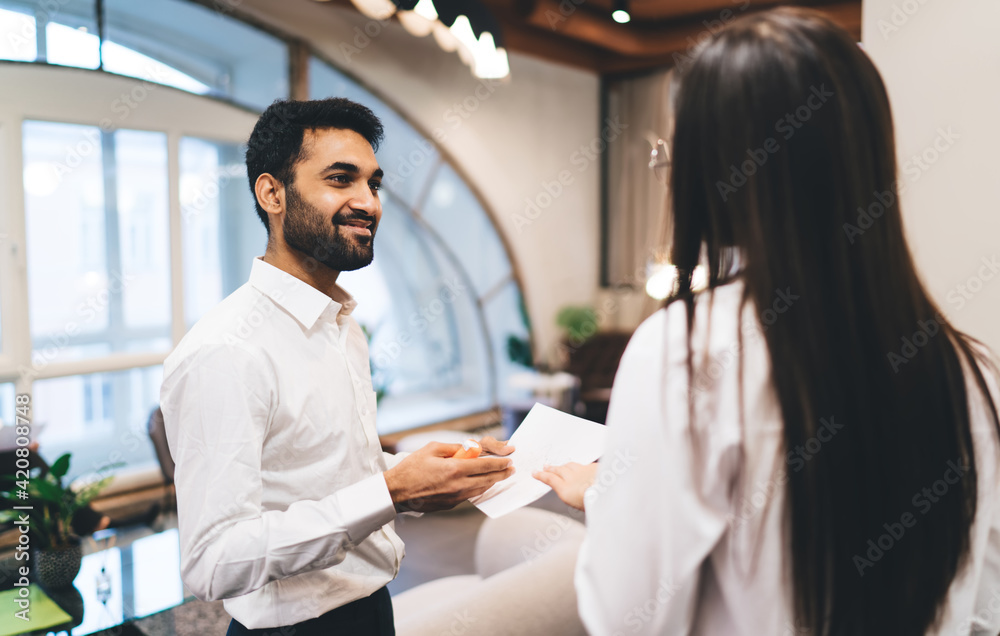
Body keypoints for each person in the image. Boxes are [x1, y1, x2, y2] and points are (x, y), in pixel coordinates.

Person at [535, 8, 1000, 635]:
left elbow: (628, 620)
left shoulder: (687, 351)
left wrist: (612, 500)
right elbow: (982, 607)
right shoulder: (969, 368)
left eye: (670, 158)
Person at [159, 98, 515, 636]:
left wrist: (428, 471)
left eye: (373, 184)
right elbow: (214, 561)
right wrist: (393, 494)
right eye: (340, 179)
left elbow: (331, 472)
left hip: (371, 608)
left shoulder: (343, 325)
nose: (367, 202)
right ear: (271, 193)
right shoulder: (226, 350)